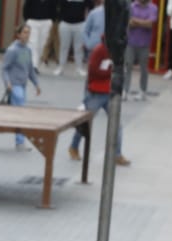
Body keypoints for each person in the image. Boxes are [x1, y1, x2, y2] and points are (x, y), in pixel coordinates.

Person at [67, 37, 128, 165]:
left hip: (109, 92)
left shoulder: (116, 51)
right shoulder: (99, 50)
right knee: (85, 123)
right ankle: (74, 146)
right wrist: (110, 72)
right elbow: (93, 71)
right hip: (96, 92)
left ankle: (117, 154)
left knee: (117, 124)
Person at [0, 23, 41, 151]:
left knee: (13, 114)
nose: (27, 35)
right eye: (24, 32)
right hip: (15, 86)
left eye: (28, 32)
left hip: (22, 85)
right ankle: (20, 141)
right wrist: (8, 83)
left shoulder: (27, 50)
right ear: (18, 34)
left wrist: (36, 83)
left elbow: (29, 69)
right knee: (21, 113)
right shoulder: (13, 50)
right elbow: (4, 69)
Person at [124, 0, 157, 100]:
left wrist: (136, 21)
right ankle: (125, 91)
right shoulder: (132, 6)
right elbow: (129, 22)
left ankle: (143, 91)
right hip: (130, 41)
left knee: (144, 68)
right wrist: (143, 22)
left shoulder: (153, 7)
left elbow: (150, 24)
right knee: (127, 65)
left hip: (145, 43)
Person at [22, 0, 56, 72]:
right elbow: (26, 7)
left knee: (42, 44)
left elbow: (53, 8)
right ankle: (34, 66)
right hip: (33, 21)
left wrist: (52, 20)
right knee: (33, 44)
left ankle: (36, 63)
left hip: (46, 22)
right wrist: (27, 20)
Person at [54, 0, 86, 73]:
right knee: (64, 46)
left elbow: (89, 6)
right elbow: (58, 5)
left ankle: (79, 67)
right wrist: (59, 19)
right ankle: (61, 67)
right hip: (65, 23)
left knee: (79, 47)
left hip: (80, 24)